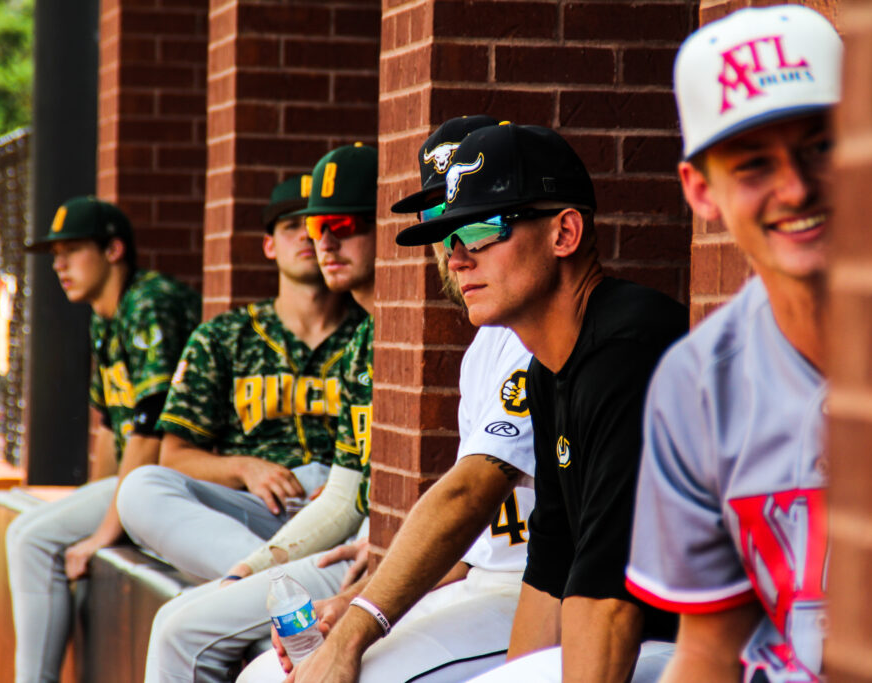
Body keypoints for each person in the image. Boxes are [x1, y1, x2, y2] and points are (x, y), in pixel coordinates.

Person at [240, 115, 543, 683]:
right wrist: (352, 601)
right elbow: (470, 540)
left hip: (528, 593)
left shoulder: (540, 340)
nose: (451, 244)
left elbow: (467, 496)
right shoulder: (486, 344)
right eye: (437, 217)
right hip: (476, 581)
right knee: (266, 674)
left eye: (473, 220)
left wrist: (360, 622)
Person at [396, 123, 687, 682]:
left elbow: (607, 595)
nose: (456, 258)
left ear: (565, 233)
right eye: (449, 235)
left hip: (735, 646)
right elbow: (553, 562)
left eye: (480, 229)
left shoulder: (630, 349)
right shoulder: (548, 367)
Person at [624, 6, 841, 682]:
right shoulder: (696, 381)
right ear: (700, 191)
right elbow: (709, 647)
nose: (797, 187)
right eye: (752, 164)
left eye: (822, 146)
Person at [139, 147, 377, 682]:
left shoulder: (395, 332)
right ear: (269, 244)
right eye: (314, 226)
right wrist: (248, 569)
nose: (322, 241)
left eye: (342, 224)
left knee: (179, 628)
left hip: (370, 550)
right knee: (142, 491)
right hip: (281, 513)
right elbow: (345, 497)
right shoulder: (364, 333)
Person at [116, 168, 370, 584]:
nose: (310, 236)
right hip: (256, 513)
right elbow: (174, 455)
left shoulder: (374, 335)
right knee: (140, 488)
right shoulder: (222, 337)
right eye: (294, 226)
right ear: (269, 245)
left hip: (348, 512)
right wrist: (246, 469)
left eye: (323, 224)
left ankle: (260, 593)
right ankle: (281, 586)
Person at [9, 197, 201, 683]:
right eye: (55, 254)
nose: (59, 264)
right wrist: (88, 511)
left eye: (72, 250)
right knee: (27, 531)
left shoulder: (149, 301)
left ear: (113, 249)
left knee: (31, 540)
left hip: (187, 476)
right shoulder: (105, 315)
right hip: (145, 475)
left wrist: (102, 529)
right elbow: (112, 432)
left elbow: (151, 426)